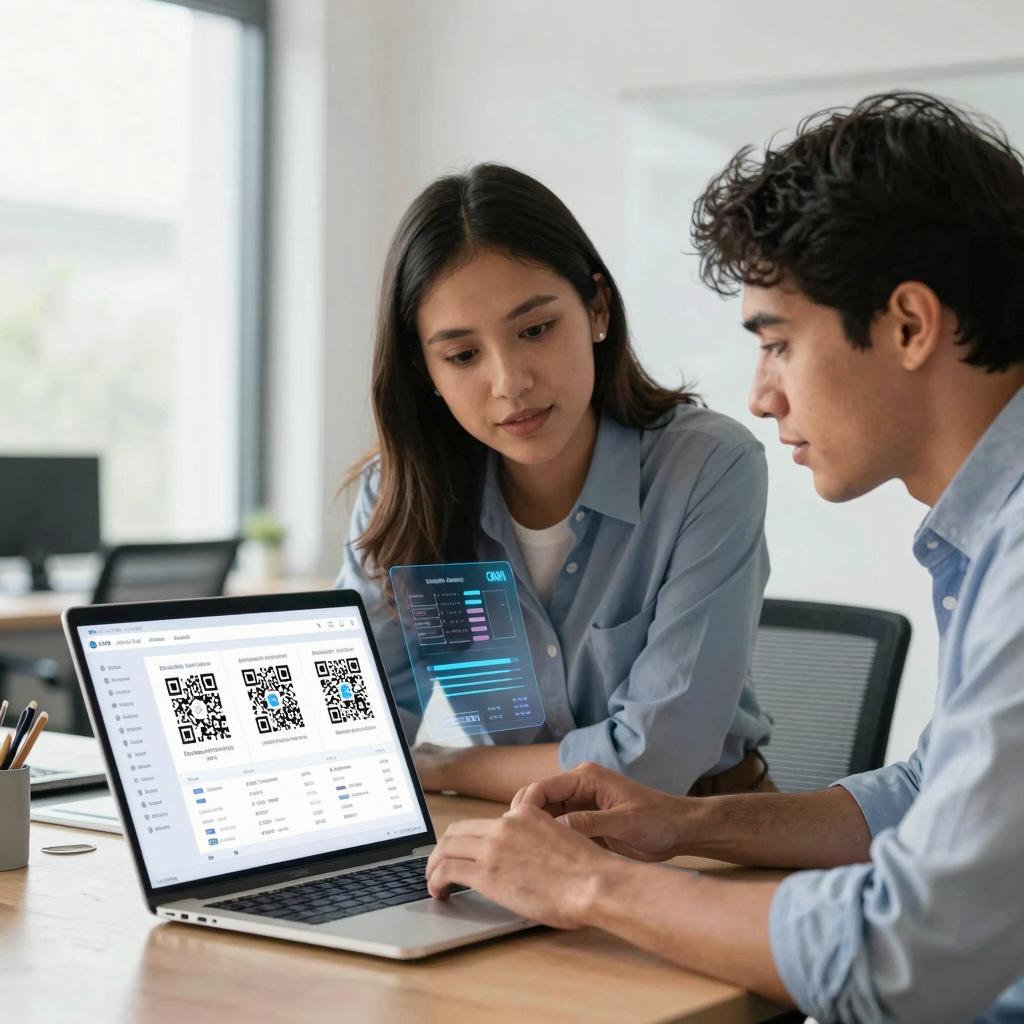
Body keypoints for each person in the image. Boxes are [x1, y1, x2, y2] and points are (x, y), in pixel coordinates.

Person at [425, 94, 1024, 1023]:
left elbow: (911, 953)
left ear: (909, 325)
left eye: (779, 343)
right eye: (460, 353)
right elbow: (927, 789)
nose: (763, 394)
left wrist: (590, 887)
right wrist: (687, 825)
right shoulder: (989, 535)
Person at [337, 163, 774, 804]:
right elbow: (354, 727)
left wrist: (444, 768)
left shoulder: (708, 468)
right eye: (462, 355)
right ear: (423, 368)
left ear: (596, 308)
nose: (510, 382)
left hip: (700, 836)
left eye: (536, 330)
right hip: (514, 834)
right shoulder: (400, 493)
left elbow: (653, 760)